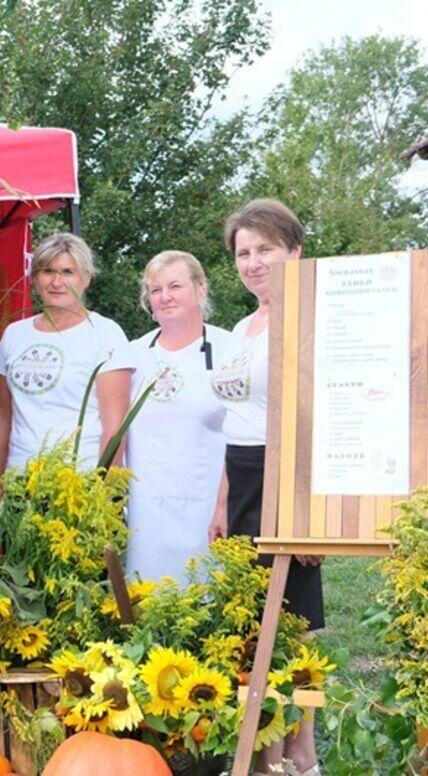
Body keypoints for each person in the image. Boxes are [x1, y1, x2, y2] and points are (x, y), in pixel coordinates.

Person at [208, 198, 321, 776]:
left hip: (289, 480)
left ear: (294, 251)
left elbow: (316, 417)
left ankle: (302, 755)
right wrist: (224, 501)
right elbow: (239, 419)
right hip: (244, 481)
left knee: (296, 631)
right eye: (243, 252)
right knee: (253, 625)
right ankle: (266, 753)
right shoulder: (242, 327)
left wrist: (309, 511)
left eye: (265, 249)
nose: (252, 262)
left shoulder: (307, 319)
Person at [0, 232, 134, 492]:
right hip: (19, 484)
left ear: (85, 278)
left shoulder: (105, 334)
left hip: (79, 486)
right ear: (35, 278)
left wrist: (103, 493)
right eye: (47, 271)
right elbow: (0, 414)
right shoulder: (14, 334)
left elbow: (115, 426)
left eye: (68, 272)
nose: (56, 282)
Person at [124, 251, 231, 581]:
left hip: (208, 509)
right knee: (142, 598)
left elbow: (245, 434)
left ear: (200, 290)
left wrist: (225, 505)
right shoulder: (131, 355)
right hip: (143, 513)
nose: (165, 297)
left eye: (175, 286)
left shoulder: (231, 349)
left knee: (204, 597)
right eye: (155, 290)